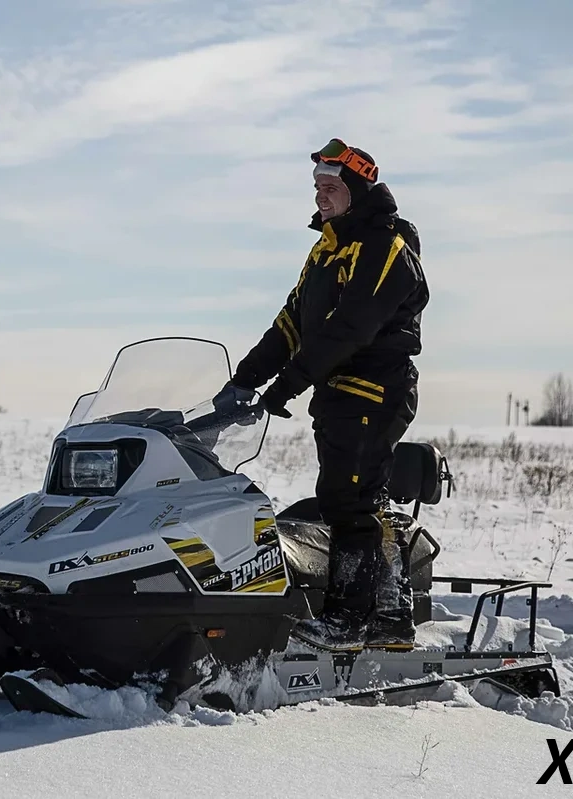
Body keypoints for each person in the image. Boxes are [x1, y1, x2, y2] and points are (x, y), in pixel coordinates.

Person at [215, 138, 429, 650]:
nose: (320, 196)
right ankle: (390, 618)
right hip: (338, 393)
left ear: (356, 190)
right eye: (317, 186)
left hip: (373, 389)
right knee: (352, 497)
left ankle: (349, 621)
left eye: (331, 186)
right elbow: (291, 323)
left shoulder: (384, 246)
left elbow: (348, 328)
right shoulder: (326, 249)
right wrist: (244, 380)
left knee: (347, 500)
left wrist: (287, 384)